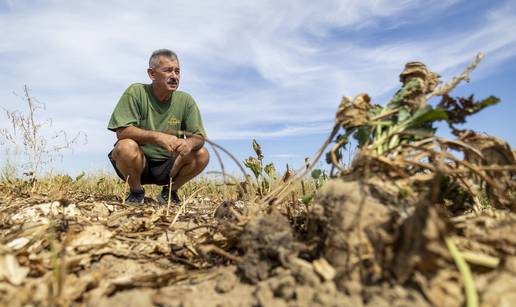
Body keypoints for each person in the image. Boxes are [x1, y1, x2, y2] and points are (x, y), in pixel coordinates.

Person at [107, 49, 209, 204]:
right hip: (139, 164)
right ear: (152, 74)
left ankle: (169, 193)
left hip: (170, 165)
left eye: (177, 71)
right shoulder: (136, 92)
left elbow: (199, 137)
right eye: (168, 70)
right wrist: (157, 137)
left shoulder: (186, 100)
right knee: (124, 146)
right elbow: (122, 132)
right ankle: (136, 192)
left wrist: (189, 144)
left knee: (202, 153)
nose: (174, 76)